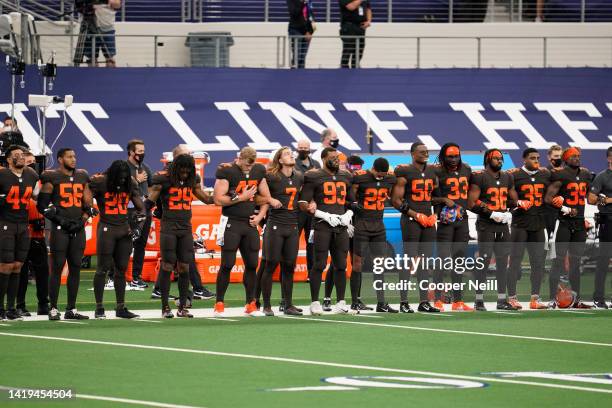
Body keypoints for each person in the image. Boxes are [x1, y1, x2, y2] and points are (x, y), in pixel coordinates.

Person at [146, 149, 214, 318]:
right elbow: (149, 202)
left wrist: (228, 196)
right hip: (168, 228)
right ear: (175, 168)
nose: (184, 174)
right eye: (182, 170)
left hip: (185, 228)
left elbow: (206, 199)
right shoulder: (163, 179)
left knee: (185, 267)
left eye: (187, 170)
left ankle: (182, 307)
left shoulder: (193, 180)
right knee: (167, 265)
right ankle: (165, 307)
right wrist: (137, 214)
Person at [213, 147, 271, 318]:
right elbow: (217, 199)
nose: (249, 168)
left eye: (251, 166)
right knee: (227, 264)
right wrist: (241, 198)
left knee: (252, 264)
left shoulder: (258, 170)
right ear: (240, 158)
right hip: (231, 222)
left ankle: (250, 304)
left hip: (249, 223)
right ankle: (219, 304)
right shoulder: (227, 171)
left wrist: (260, 216)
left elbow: (266, 197)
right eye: (246, 165)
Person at [38, 147, 94, 320]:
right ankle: (53, 308)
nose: (74, 159)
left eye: (75, 156)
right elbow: (42, 205)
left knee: (76, 267)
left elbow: (88, 203)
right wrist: (60, 220)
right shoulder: (51, 177)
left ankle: (71, 308)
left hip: (77, 227)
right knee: (57, 267)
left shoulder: (82, 175)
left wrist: (82, 220)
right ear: (60, 159)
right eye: (70, 156)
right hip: (60, 228)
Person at [299, 147, 355, 314]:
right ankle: (315, 302)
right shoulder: (313, 175)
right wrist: (321, 214)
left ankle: (341, 302)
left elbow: (352, 201)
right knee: (320, 263)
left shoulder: (346, 176)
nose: (336, 160)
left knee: (341, 265)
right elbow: (302, 203)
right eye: (332, 157)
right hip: (322, 225)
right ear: (323, 158)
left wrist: (348, 214)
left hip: (341, 225)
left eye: (337, 157)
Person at [89, 160, 145, 319]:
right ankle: (99, 307)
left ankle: (121, 307)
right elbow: (85, 195)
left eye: (125, 176)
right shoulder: (100, 181)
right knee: (102, 268)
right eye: (120, 176)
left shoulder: (130, 182)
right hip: (107, 228)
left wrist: (138, 226)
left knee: (121, 269)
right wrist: (89, 206)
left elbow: (141, 208)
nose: (122, 179)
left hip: (123, 228)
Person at [468, 149, 520, 311]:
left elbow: (514, 200)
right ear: (488, 159)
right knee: (484, 261)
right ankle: (478, 299)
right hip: (486, 224)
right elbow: (471, 202)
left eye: (501, 158)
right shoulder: (479, 176)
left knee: (503, 263)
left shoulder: (507, 177)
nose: (500, 161)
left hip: (502, 225)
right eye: (497, 158)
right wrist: (491, 213)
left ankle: (501, 299)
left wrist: (507, 212)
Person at [392, 143, 439, 313]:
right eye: (421, 151)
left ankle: (423, 301)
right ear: (413, 154)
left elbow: (435, 197)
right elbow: (396, 200)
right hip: (412, 221)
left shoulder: (433, 171)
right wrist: (415, 214)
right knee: (409, 260)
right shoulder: (405, 171)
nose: (425, 153)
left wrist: (436, 215)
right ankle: (404, 301)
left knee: (425, 262)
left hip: (427, 220)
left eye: (426, 151)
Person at [545, 147, 593, 309]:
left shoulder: (586, 174)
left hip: (579, 223)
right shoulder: (561, 174)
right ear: (566, 158)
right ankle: (552, 299)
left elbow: (591, 194)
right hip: (564, 222)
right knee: (558, 261)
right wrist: (565, 208)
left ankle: (576, 299)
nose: (577, 158)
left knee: (575, 263)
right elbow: (548, 198)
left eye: (578, 156)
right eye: (573, 156)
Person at [258, 147, 304, 316]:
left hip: (292, 225)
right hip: (275, 224)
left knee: (289, 266)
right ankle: (267, 305)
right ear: (279, 159)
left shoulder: (299, 176)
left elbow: (304, 197)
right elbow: (255, 196)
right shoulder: (271, 176)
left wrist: (310, 203)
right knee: (270, 264)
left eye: (291, 153)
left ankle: (288, 304)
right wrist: (270, 199)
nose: (290, 155)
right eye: (286, 154)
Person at [350, 157, 398, 313]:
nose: (381, 177)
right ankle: (355, 301)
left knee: (380, 264)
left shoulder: (390, 179)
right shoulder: (360, 177)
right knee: (357, 263)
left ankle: (381, 302)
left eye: (384, 175)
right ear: (373, 169)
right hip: (362, 224)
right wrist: (355, 208)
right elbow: (349, 198)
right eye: (379, 174)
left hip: (379, 225)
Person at [507, 148, 551, 310]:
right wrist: (517, 203)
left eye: (538, 158)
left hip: (538, 223)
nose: (536, 161)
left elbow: (554, 191)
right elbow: (504, 198)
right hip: (520, 223)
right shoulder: (514, 175)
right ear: (524, 159)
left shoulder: (545, 174)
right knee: (515, 262)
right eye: (533, 158)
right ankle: (512, 297)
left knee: (538, 263)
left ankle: (535, 298)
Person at [432, 143, 474, 311]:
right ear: (443, 156)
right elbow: (429, 197)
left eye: (456, 155)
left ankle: (458, 301)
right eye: (450, 156)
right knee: (442, 259)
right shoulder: (436, 171)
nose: (454, 159)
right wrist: (443, 200)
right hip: (445, 222)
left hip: (462, 220)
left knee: (459, 260)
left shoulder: (467, 169)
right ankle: (436, 299)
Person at [0, 145, 39, 320]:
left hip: (23, 226)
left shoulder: (31, 175)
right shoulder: (2, 175)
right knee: (5, 266)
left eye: (23, 154)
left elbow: (38, 196)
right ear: (8, 160)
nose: (21, 157)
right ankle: (0, 308)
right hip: (5, 224)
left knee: (17, 267)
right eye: (17, 155)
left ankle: (11, 308)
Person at [15, 151, 49, 317]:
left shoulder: (39, 183)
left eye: (33, 162)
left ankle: (43, 303)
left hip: (38, 233)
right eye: (29, 162)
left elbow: (43, 201)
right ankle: (19, 304)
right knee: (21, 272)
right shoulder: (17, 183)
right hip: (22, 232)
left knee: (42, 271)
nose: (32, 165)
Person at [125, 139, 152, 289]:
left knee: (141, 244)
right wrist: (136, 180)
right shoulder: (123, 168)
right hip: (127, 210)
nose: (142, 153)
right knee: (124, 244)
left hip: (144, 211)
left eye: (143, 151)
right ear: (131, 152)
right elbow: (114, 185)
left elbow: (154, 186)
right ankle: (113, 277)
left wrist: (149, 203)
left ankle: (136, 277)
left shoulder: (146, 167)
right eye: (139, 151)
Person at [587, 146, 612, 309]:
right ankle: (598, 298)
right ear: (609, 158)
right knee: (603, 261)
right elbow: (591, 198)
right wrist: (606, 201)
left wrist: (607, 199)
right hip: (607, 221)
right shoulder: (602, 177)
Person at [339, 0, 371, 68]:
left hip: (360, 26)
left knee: (360, 48)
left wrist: (368, 21)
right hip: (349, 26)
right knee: (348, 48)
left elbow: (368, 9)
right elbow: (351, 7)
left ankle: (356, 66)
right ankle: (344, 69)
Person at [90, 0, 121, 67]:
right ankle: (92, 76)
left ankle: (110, 77)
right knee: (91, 59)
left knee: (110, 59)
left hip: (108, 29)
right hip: (90, 29)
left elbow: (117, 4)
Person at [287, 0, 315, 69]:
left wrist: (310, 32)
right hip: (296, 30)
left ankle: (301, 77)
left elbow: (311, 17)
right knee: (297, 58)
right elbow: (294, 13)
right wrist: (302, 3)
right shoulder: (292, 1)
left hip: (307, 32)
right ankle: (293, 77)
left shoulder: (308, 2)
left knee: (302, 59)